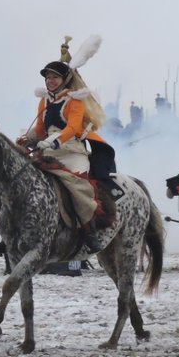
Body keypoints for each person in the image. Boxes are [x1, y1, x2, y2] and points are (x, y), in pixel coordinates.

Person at [18, 36, 118, 251]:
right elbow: (40, 130)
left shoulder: (75, 99)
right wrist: (28, 139)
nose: (50, 81)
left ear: (63, 79)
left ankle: (90, 230)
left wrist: (54, 142)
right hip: (48, 149)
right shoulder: (44, 100)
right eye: (48, 77)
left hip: (72, 151)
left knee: (78, 186)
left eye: (54, 77)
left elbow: (72, 127)